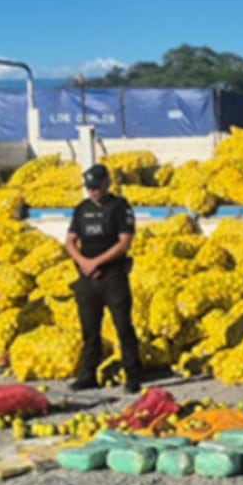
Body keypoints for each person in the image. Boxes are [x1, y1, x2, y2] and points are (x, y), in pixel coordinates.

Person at [65, 163, 143, 393]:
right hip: (87, 276)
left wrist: (97, 262)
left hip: (112, 275)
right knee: (89, 329)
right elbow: (70, 241)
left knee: (123, 326)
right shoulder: (81, 209)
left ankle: (133, 375)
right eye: (89, 188)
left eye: (96, 187)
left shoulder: (119, 206)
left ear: (106, 184)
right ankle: (88, 374)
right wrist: (83, 262)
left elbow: (124, 242)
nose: (92, 192)